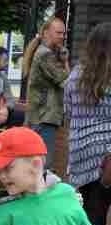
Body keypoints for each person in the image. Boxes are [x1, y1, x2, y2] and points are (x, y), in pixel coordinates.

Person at [64, 22, 111, 225]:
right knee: (99, 204)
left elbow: (68, 110)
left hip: (78, 147)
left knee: (83, 204)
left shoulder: (75, 75)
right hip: (105, 151)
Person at [22, 17, 70, 167]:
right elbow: (67, 81)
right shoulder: (45, 55)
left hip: (40, 116)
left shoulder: (44, 52)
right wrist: (66, 61)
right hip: (44, 116)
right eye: (59, 33)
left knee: (35, 162)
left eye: (64, 33)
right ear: (46, 33)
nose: (62, 36)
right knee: (43, 164)